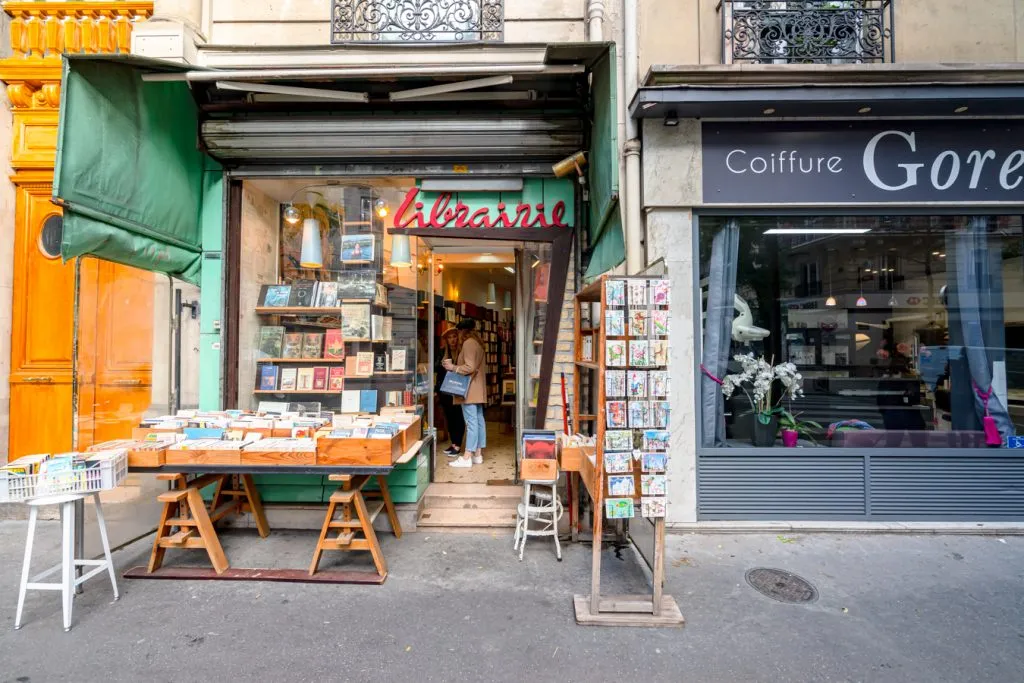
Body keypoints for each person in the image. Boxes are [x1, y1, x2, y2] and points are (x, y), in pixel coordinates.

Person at [443, 319, 487, 468]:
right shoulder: (478, 343)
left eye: (458, 332)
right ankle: (478, 454)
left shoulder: (468, 343)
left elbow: (469, 367)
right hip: (478, 387)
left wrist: (453, 367)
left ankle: (467, 456)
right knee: (478, 420)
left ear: (462, 331)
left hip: (469, 389)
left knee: (471, 422)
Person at [436, 326, 465, 456]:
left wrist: (454, 367)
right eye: (449, 337)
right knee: (449, 416)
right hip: (445, 390)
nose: (452, 340)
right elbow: (436, 369)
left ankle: (458, 445)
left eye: (454, 337)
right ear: (446, 340)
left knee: (458, 416)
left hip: (458, 389)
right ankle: (453, 443)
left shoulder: (462, 352)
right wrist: (442, 364)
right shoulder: (442, 352)